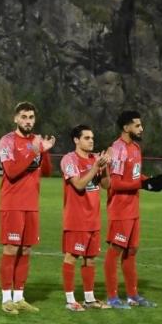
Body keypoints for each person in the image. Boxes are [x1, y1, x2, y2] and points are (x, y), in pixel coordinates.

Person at [104, 110, 162, 309]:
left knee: (131, 252)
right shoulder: (117, 149)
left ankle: (133, 296)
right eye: (137, 125)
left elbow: (133, 176)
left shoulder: (135, 148)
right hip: (120, 209)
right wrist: (142, 185)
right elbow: (115, 183)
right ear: (126, 128)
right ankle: (112, 298)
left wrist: (148, 181)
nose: (141, 129)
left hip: (133, 208)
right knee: (115, 251)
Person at [0, 102, 55, 315]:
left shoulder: (36, 141)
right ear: (15, 119)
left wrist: (45, 152)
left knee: (26, 250)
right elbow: (12, 171)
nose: (28, 120)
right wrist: (35, 150)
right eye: (24, 116)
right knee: (11, 249)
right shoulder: (7, 141)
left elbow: (47, 172)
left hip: (32, 204)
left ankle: (19, 297)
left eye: (31, 116)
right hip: (12, 203)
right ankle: (6, 299)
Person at [59, 125, 111, 311]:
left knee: (90, 259)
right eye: (87, 137)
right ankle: (70, 300)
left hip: (93, 218)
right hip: (76, 218)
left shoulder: (95, 159)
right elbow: (79, 185)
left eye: (92, 137)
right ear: (76, 140)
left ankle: (89, 299)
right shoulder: (69, 159)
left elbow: (106, 185)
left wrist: (104, 168)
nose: (91, 140)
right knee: (72, 256)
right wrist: (95, 167)